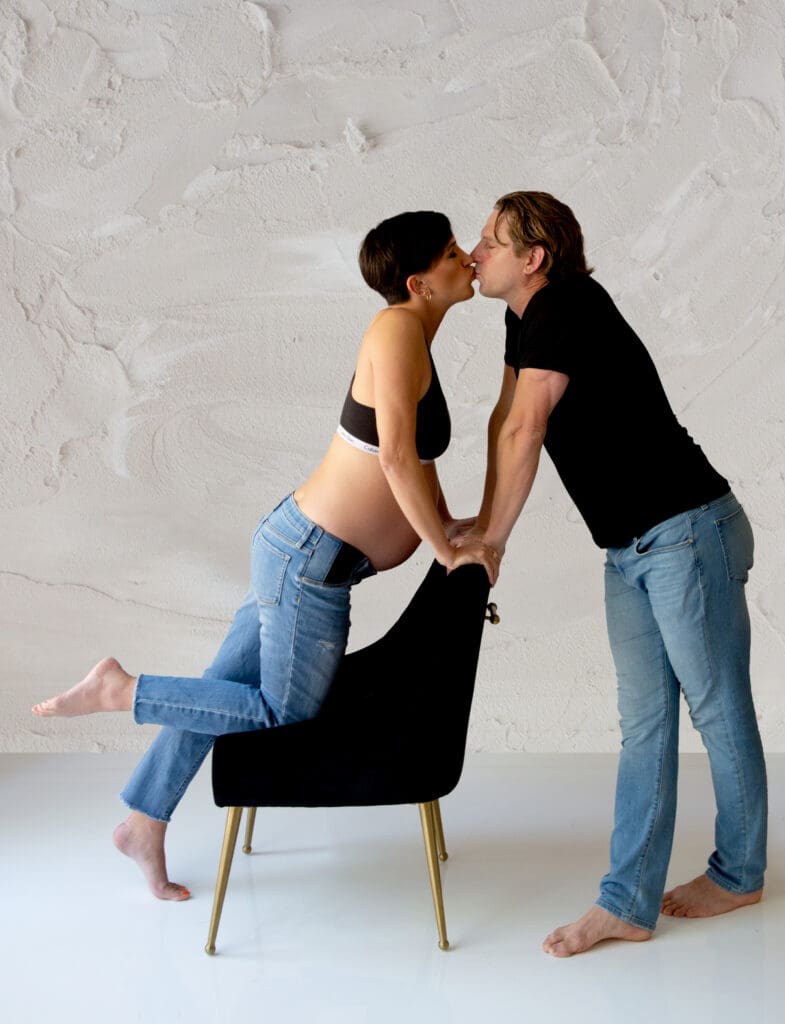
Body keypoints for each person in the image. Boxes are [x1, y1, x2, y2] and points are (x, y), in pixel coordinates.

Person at [32, 211, 498, 901]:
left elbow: (412, 461)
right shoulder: (397, 329)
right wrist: (439, 548)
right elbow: (395, 458)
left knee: (222, 691)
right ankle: (122, 691)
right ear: (417, 281)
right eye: (454, 253)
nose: (468, 260)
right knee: (282, 712)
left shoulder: (413, 337)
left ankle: (142, 821)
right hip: (307, 563)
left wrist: (452, 527)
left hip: (301, 552)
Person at [465, 191, 767, 955]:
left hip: (687, 534)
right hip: (631, 548)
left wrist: (494, 540)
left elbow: (529, 425)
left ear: (533, 258)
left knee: (716, 708)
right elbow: (507, 425)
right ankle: (628, 901)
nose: (475, 252)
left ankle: (739, 873)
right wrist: (478, 522)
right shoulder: (524, 317)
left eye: (491, 242)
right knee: (644, 722)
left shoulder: (567, 305)